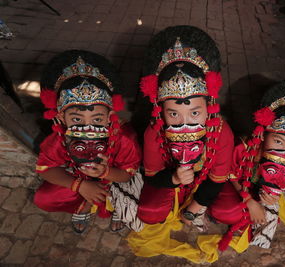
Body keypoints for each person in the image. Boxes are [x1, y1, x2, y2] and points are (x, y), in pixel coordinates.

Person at [127, 25, 234, 262]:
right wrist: (173, 179)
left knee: (231, 211)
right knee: (149, 212)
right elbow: (153, 174)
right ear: (161, 111)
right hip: (172, 181)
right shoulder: (154, 131)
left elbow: (218, 177)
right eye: (173, 114)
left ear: (209, 105)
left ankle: (199, 209)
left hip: (205, 181)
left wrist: (196, 205)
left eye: (195, 113)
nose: (184, 123)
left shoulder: (221, 132)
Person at [211, 80, 285, 251]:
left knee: (269, 210)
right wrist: (249, 201)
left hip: (256, 189)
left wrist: (273, 196)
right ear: (264, 134)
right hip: (236, 183)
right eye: (278, 140)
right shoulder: (244, 147)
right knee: (226, 211)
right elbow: (229, 172)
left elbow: (281, 182)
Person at [34, 50, 143, 234]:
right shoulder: (59, 138)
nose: (88, 127)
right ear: (61, 116)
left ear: (110, 116)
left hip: (115, 179)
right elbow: (45, 169)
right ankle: (83, 204)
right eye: (77, 119)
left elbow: (127, 175)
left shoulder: (124, 137)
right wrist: (80, 185)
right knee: (43, 198)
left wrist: (106, 172)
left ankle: (117, 205)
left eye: (97, 119)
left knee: (140, 197)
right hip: (79, 179)